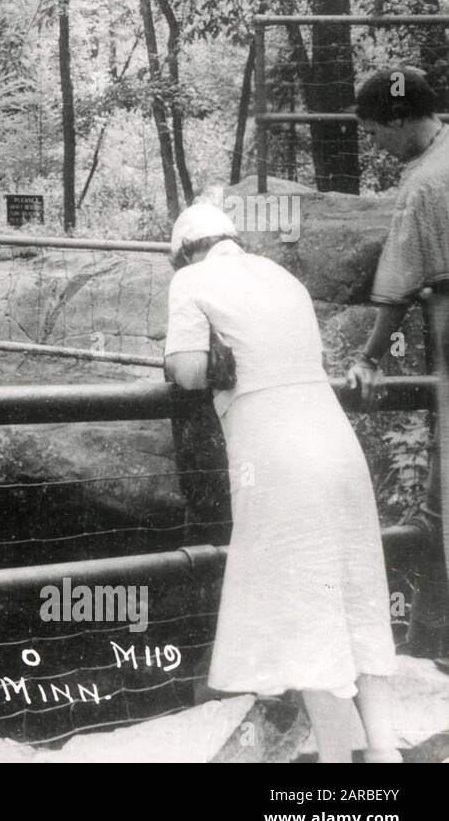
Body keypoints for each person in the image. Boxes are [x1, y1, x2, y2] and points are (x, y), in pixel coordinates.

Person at [165, 202, 400, 763]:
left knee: (305, 604)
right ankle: (385, 751)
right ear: (230, 237)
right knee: (356, 594)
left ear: (182, 253)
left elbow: (190, 371)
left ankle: (340, 775)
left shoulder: (192, 281)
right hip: (335, 443)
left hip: (276, 456)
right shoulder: (281, 276)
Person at [346, 65, 449, 662]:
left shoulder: (424, 184)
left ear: (400, 119)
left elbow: (398, 283)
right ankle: (430, 643)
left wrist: (368, 355)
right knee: (439, 504)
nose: (375, 146)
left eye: (375, 132)